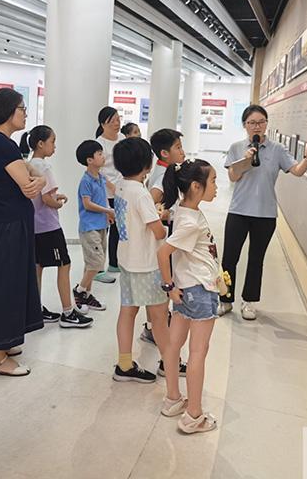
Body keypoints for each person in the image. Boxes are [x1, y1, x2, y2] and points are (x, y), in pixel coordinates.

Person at [220, 105, 307, 319]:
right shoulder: (237, 147)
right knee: (229, 257)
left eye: (261, 122)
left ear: (266, 124)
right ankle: (225, 299)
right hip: (238, 211)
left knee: (256, 260)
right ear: (245, 125)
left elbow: (296, 171)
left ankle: (249, 302)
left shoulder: (277, 149)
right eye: (252, 123)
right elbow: (233, 177)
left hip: (265, 215)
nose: (257, 127)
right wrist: (245, 161)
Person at [0, 88, 45, 376]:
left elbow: (29, 177)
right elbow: (29, 187)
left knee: (4, 283)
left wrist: (36, 177)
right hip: (7, 226)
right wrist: (39, 179)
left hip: (7, 224)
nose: (25, 114)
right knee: (4, 286)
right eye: (22, 109)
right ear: (7, 111)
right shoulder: (1, 144)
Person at [157, 159, 221, 433]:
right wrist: (168, 286)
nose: (216, 187)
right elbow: (163, 253)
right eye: (213, 181)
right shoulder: (189, 222)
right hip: (199, 290)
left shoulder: (183, 211)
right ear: (196, 186)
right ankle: (194, 414)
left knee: (174, 344)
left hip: (186, 288)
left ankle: (173, 399)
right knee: (198, 352)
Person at [20, 126, 93, 329]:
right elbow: (46, 198)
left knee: (38, 266)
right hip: (48, 226)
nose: (54, 146)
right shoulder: (43, 167)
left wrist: (54, 197)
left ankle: (35, 309)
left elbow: (39, 195)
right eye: (52, 141)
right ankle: (68, 312)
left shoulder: (28, 164)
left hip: (34, 225)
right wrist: (58, 203)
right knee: (64, 264)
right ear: (40, 144)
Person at [111, 137, 169, 383]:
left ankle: (124, 364)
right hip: (146, 265)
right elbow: (159, 232)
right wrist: (162, 216)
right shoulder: (141, 194)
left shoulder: (120, 186)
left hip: (127, 259)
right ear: (147, 164)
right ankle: (170, 363)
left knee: (128, 311)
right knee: (159, 317)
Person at [141, 128, 186, 345]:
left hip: (165, 234)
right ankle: (154, 326)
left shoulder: (167, 169)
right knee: (161, 283)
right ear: (164, 153)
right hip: (163, 236)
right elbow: (152, 201)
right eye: (178, 147)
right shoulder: (162, 175)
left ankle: (153, 325)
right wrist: (164, 213)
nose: (182, 151)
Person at [73, 140, 113, 313]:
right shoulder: (85, 181)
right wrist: (107, 210)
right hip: (89, 227)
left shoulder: (101, 178)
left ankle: (87, 296)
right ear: (89, 160)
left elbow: (104, 197)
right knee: (96, 263)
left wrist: (107, 213)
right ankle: (79, 290)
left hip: (101, 225)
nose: (103, 156)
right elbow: (87, 204)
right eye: (99, 154)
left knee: (91, 263)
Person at [96, 106, 124, 279]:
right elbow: (98, 170)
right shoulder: (99, 143)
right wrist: (111, 185)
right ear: (103, 124)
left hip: (121, 190)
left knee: (118, 229)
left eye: (118, 119)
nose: (116, 123)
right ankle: (97, 268)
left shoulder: (122, 139)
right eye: (112, 121)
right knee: (102, 230)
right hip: (105, 193)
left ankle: (114, 263)